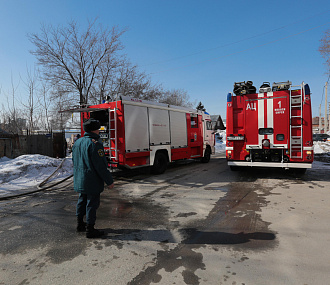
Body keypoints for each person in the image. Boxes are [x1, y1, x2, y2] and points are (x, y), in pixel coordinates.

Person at [72, 118, 114, 238]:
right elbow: (100, 167)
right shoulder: (95, 144)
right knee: (92, 203)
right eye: (98, 129)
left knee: (82, 200)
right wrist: (109, 181)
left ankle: (80, 224)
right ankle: (90, 230)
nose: (99, 131)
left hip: (80, 178)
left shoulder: (78, 142)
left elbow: (74, 161)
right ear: (95, 130)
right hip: (92, 180)